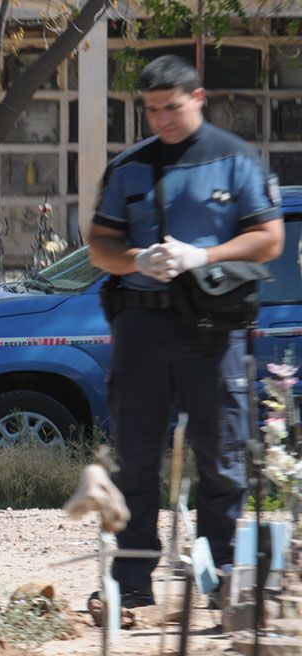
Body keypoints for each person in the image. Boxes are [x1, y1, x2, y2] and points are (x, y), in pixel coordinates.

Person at [88, 55, 284, 608]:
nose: (162, 120)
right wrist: (136, 259)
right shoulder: (130, 166)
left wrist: (204, 255)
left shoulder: (235, 158)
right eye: (152, 111)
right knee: (134, 457)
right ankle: (131, 581)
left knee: (221, 456)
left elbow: (269, 239)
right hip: (142, 325)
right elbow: (100, 245)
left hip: (211, 329)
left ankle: (222, 578)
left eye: (171, 108)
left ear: (198, 98)